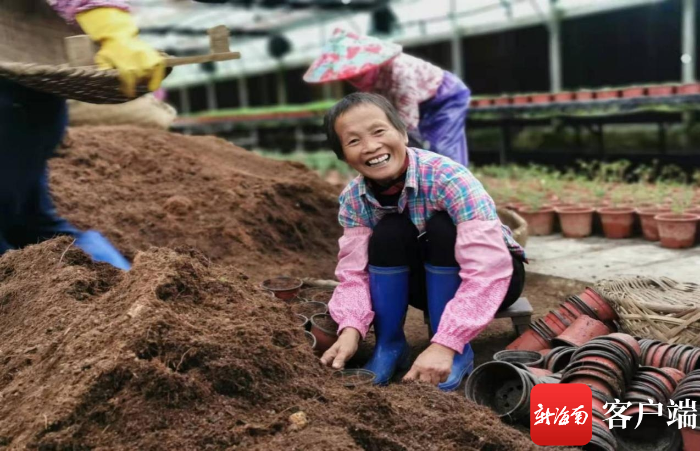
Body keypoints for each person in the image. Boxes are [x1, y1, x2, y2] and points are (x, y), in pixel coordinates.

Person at [319, 93, 526, 391]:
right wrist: (351, 326)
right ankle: (390, 346)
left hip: (498, 277)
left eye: (379, 131)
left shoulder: (449, 178)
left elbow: (487, 269)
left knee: (442, 226)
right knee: (389, 230)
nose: (371, 146)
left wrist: (448, 341)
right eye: (353, 141)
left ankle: (457, 349)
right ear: (342, 155)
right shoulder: (354, 199)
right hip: (427, 283)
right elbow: (354, 273)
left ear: (402, 133)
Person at [0, 1, 164, 269]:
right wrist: (114, 31)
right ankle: (122, 288)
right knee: (34, 223)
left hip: (21, 96)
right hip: (28, 96)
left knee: (32, 222)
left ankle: (124, 290)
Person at [304, 28, 471, 166]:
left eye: (360, 73)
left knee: (443, 145)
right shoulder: (372, 80)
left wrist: (405, 154)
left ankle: (458, 187)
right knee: (426, 146)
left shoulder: (400, 73)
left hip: (445, 96)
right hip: (421, 100)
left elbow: (408, 126)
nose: (355, 79)